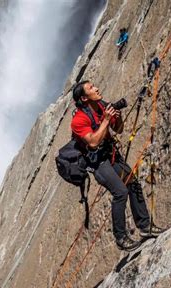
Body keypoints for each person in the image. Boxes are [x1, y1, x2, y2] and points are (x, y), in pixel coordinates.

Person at [70, 81, 165, 251]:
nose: (97, 88)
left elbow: (119, 129)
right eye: (91, 88)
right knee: (120, 191)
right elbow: (92, 142)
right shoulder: (78, 120)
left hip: (110, 154)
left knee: (133, 183)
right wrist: (106, 120)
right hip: (97, 162)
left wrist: (117, 117)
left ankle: (145, 227)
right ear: (84, 98)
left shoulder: (101, 105)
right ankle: (120, 237)